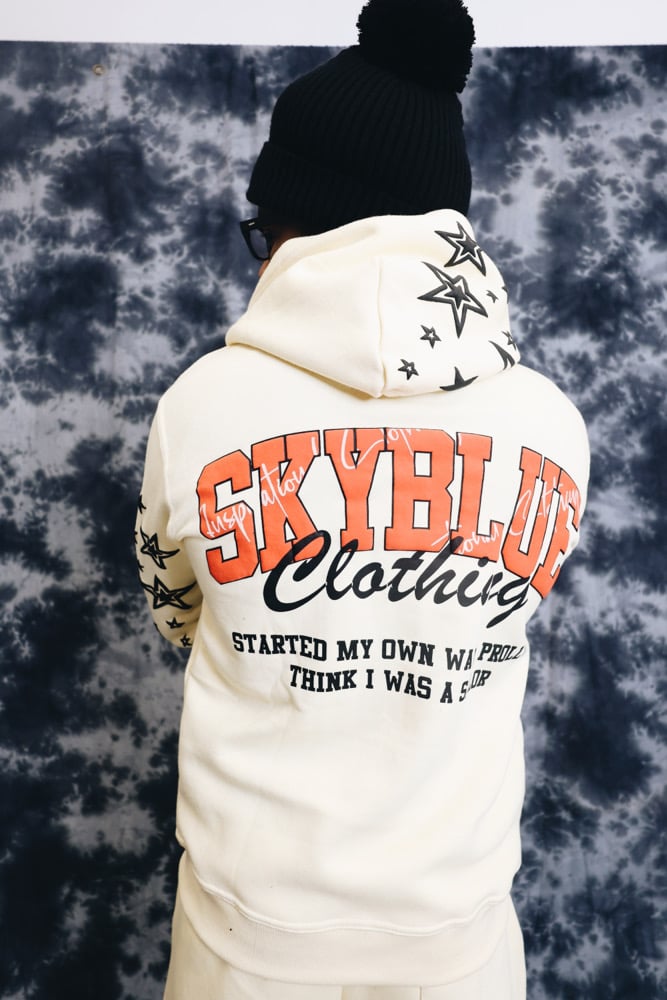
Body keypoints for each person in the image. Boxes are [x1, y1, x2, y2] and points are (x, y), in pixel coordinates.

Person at [135, 1, 590, 997]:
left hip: (242, 941)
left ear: (291, 221)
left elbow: (180, 613)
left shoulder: (201, 404)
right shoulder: (550, 422)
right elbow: (507, 608)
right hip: (460, 943)